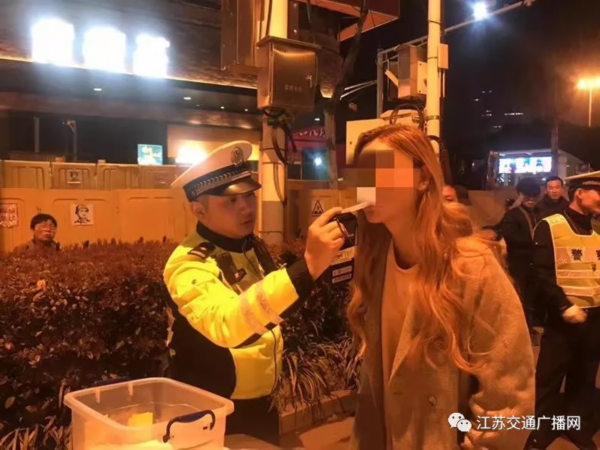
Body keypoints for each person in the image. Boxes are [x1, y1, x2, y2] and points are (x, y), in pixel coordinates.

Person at [347, 125, 534, 450]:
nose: (368, 184)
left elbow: (509, 393)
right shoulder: (375, 262)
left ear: (422, 179)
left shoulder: (472, 265)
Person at [163, 141, 345, 444]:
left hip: (261, 403)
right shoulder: (188, 264)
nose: (246, 208)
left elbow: (266, 304)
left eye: (249, 195)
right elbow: (227, 323)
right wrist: (308, 266)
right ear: (199, 210)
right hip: (212, 410)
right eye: (230, 201)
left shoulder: (249, 245)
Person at [526, 171, 600, 450]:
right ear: (580, 193)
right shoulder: (550, 225)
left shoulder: (597, 232)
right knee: (548, 377)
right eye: (599, 193)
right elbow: (541, 272)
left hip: (594, 319)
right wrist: (563, 305)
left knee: (584, 378)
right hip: (563, 319)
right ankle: (539, 431)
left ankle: (575, 427)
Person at [498, 177, 542, 330]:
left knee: (531, 297)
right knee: (518, 296)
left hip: (536, 262)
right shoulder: (512, 215)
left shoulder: (538, 213)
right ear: (521, 195)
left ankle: (528, 326)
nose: (531, 200)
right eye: (527, 196)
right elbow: (510, 236)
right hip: (519, 263)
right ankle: (517, 328)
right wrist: (534, 242)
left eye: (534, 196)